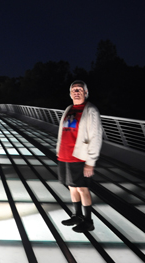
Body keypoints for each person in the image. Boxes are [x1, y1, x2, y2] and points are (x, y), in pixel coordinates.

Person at [56, 80, 103, 233]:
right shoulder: (69, 108)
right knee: (71, 186)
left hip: (79, 156)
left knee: (83, 188)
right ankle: (77, 215)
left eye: (79, 89)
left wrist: (91, 161)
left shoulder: (90, 110)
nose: (76, 92)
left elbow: (96, 136)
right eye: (74, 89)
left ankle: (88, 221)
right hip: (65, 155)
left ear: (85, 92)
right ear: (70, 94)